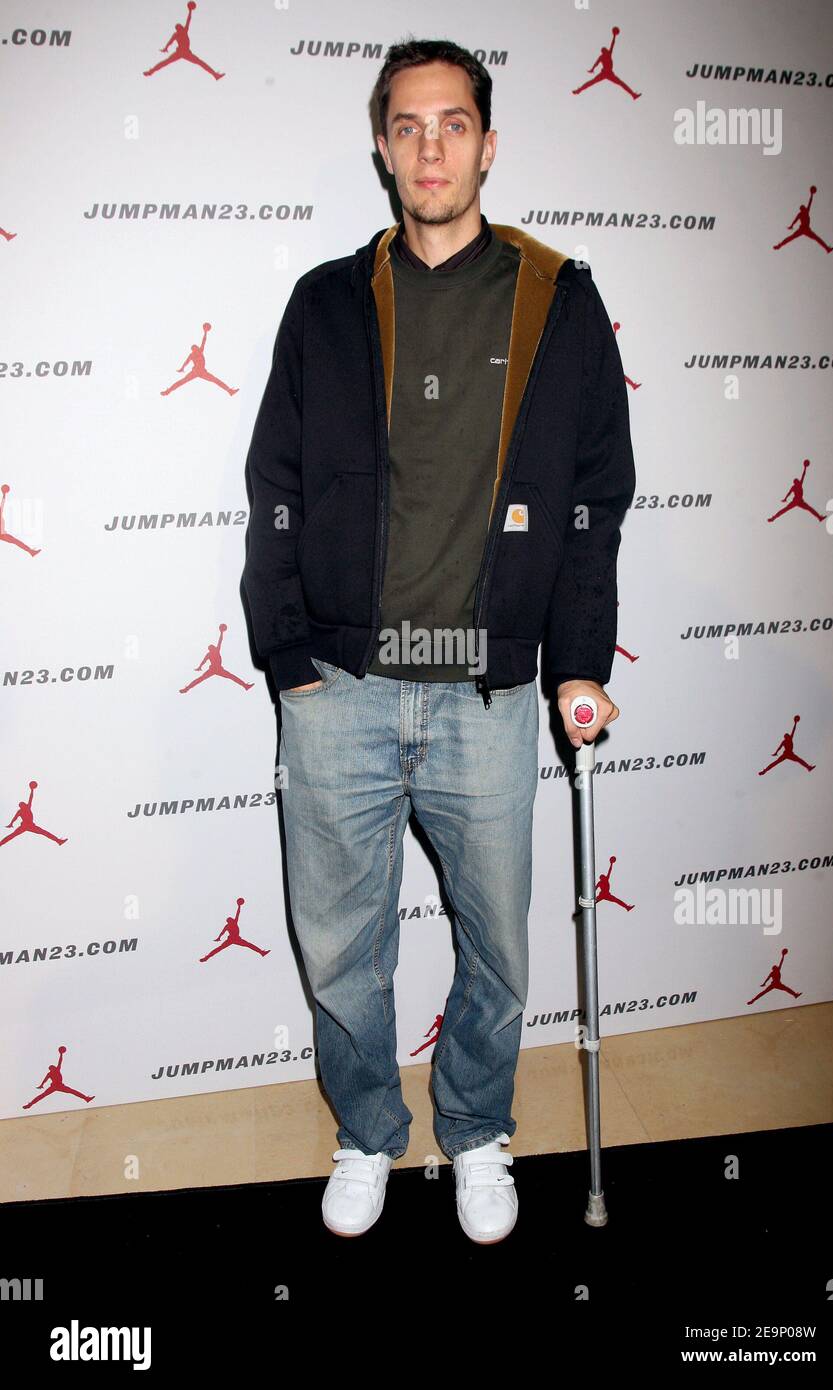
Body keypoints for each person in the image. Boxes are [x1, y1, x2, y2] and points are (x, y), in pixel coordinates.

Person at [241, 37, 636, 1245]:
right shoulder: (325, 302)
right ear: (380, 145)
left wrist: (577, 661)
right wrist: (287, 660)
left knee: (499, 947)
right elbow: (276, 484)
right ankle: (368, 1129)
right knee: (339, 948)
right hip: (342, 690)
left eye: (451, 124)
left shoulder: (555, 298)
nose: (428, 148)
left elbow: (592, 492)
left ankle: (474, 1128)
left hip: (484, 692)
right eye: (406, 126)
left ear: (487, 143)